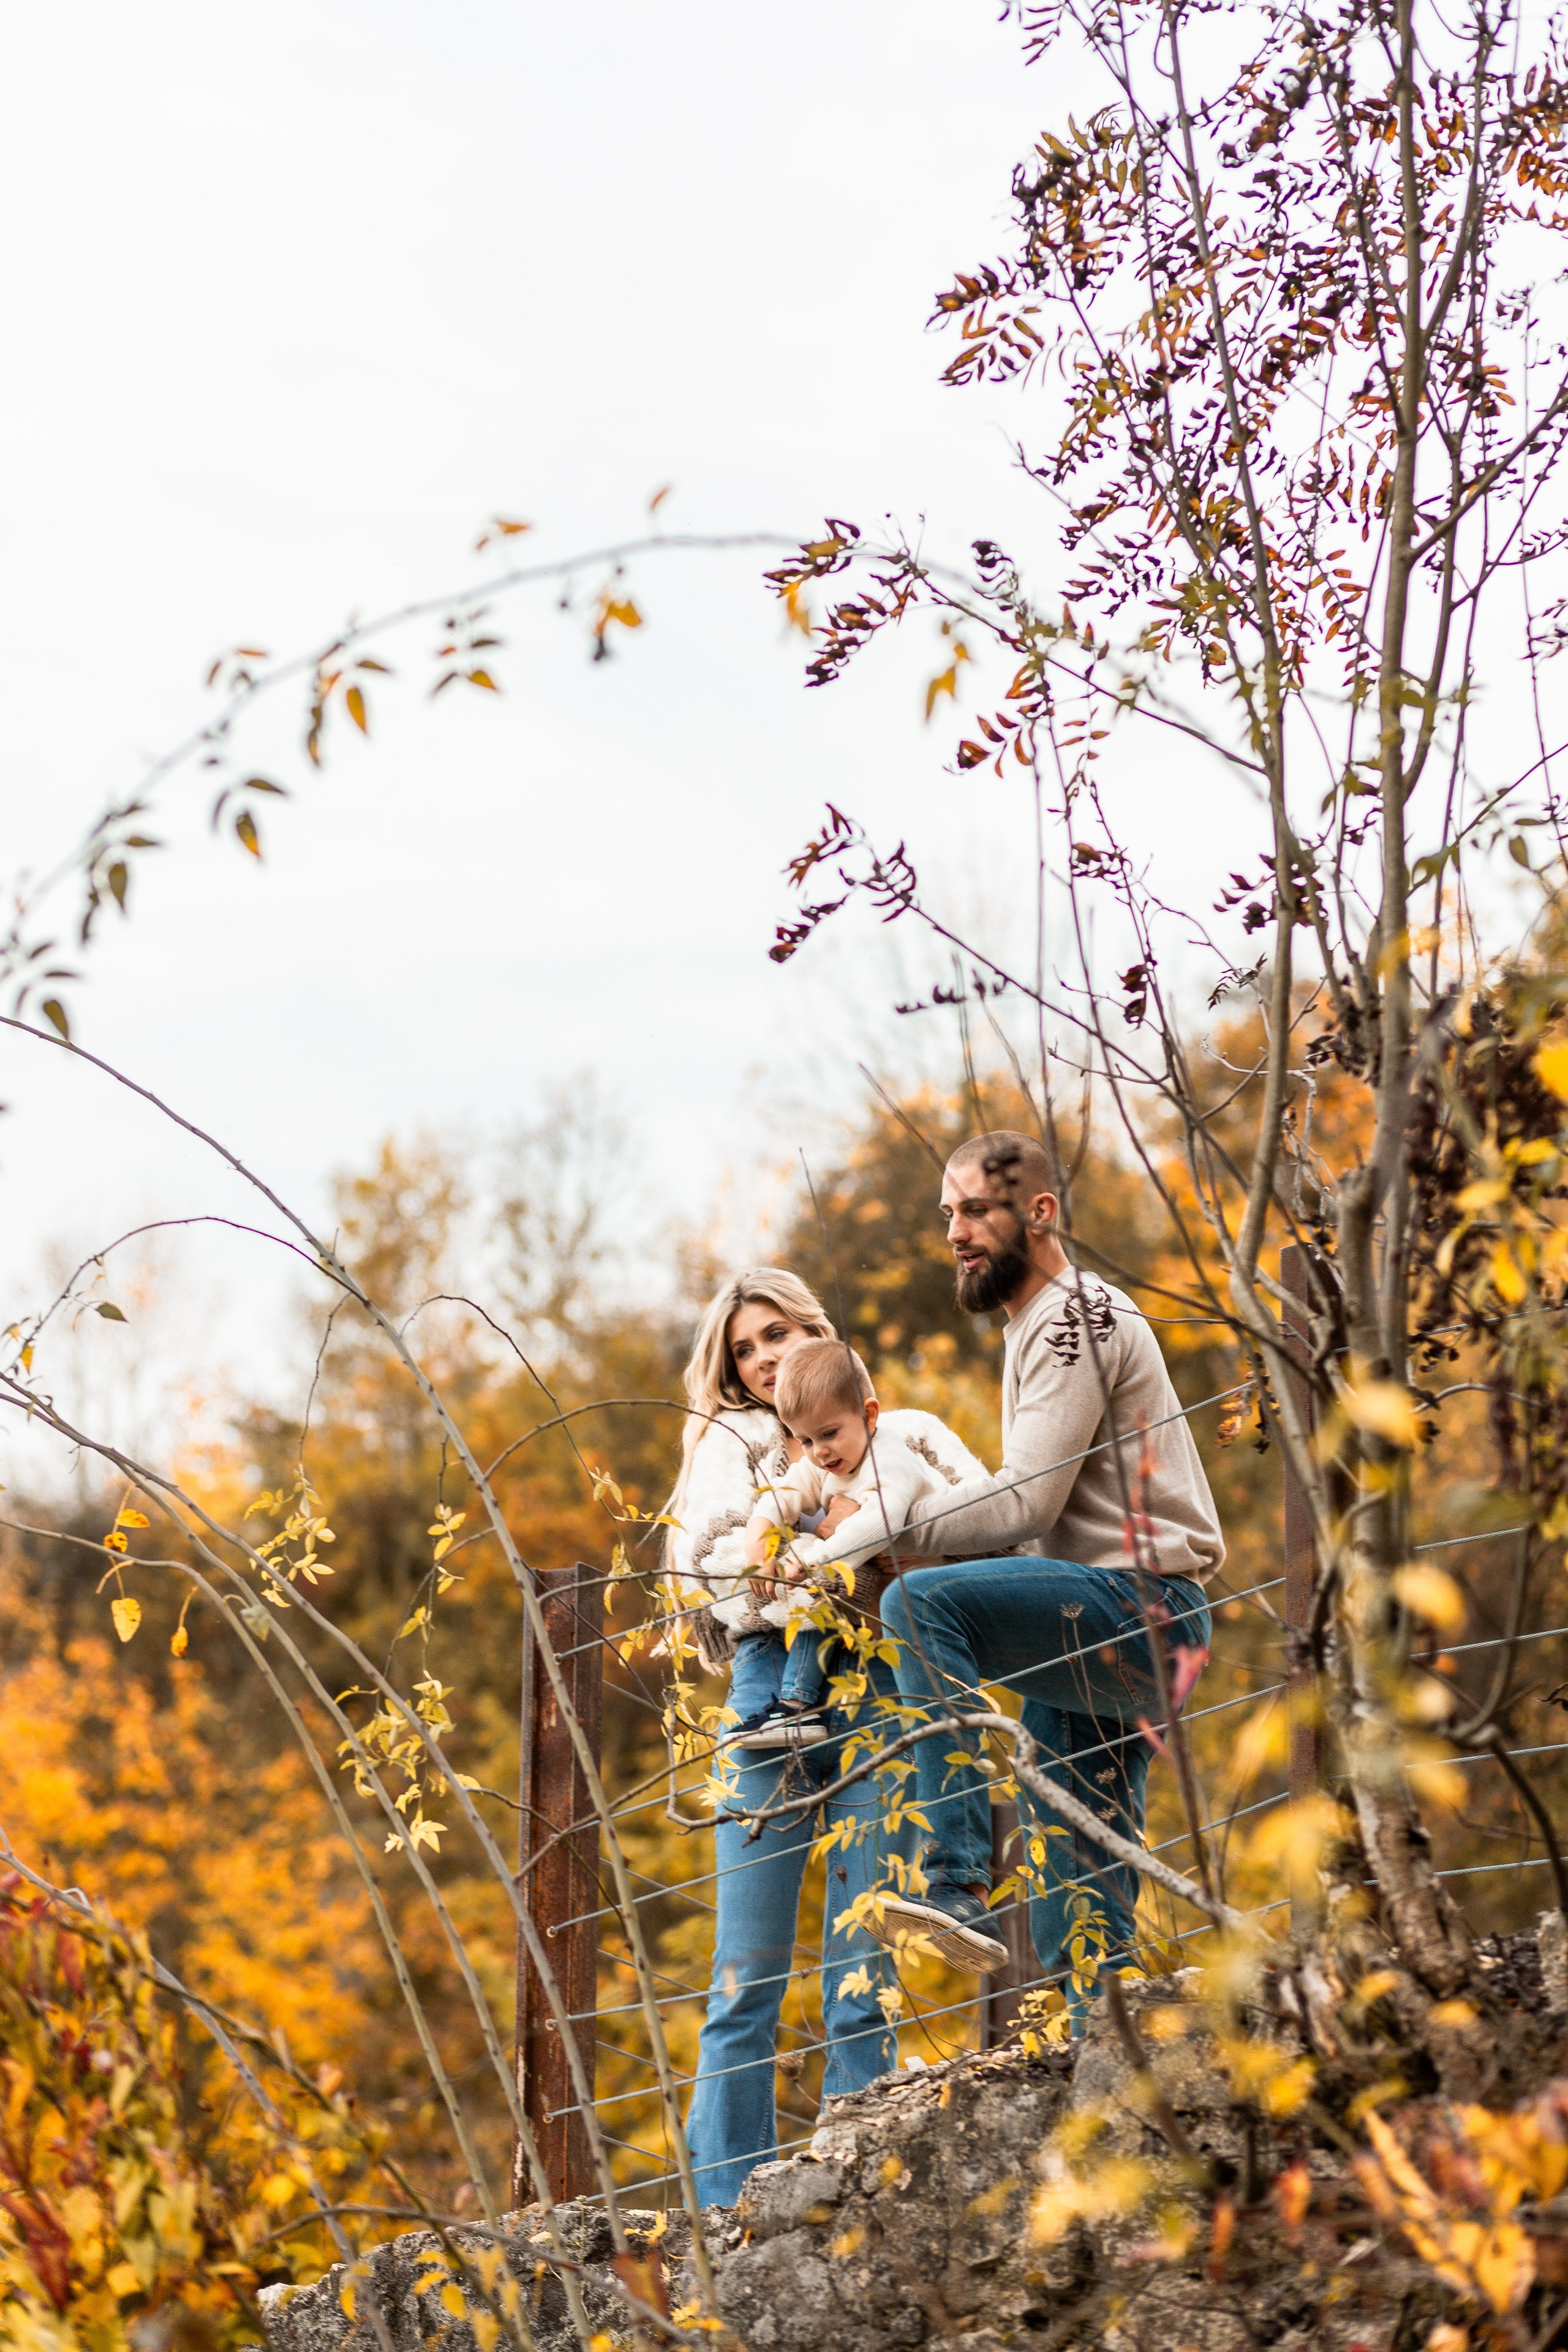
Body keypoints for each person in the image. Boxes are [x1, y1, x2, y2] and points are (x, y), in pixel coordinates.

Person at [839, 1131, 1222, 2013]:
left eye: (976, 1210)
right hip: (1099, 1614)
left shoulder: (1077, 1316)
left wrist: (879, 1533)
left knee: (916, 1606)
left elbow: (1025, 1505)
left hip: (1139, 1608)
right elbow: (1031, 1524)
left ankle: (955, 1882)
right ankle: (1118, 2070)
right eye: (948, 1215)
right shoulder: (1036, 1327)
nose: (955, 1233)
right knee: (1078, 1908)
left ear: (1040, 1211)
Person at [663, 1270, 979, 2206]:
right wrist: (826, 1560)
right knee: (743, 1978)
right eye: (743, 1349)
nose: (762, 1359)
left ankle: (853, 2193)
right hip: (767, 1700)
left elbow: (975, 1522)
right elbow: (705, 1576)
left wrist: (879, 1543)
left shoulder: (898, 1429)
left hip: (873, 1680)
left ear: (815, 1331)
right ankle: (722, 2213)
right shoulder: (725, 1446)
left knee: (861, 1968)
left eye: (776, 1334)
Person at [734, 1337, 987, 1746]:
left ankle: (802, 1707)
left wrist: (816, 1560)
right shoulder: (829, 1458)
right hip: (879, 1602)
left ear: (869, 1416)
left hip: (928, 1597)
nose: (819, 1452)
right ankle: (796, 1707)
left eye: (829, 1433)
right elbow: (780, 1496)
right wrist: (758, 1551)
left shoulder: (891, 1458)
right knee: (816, 1587)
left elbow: (880, 1523)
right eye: (807, 1440)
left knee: (819, 1579)